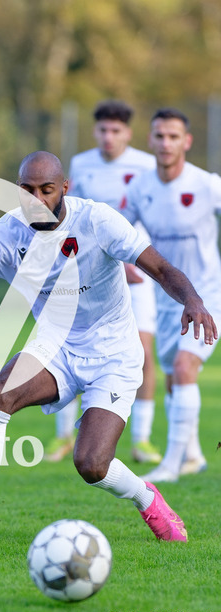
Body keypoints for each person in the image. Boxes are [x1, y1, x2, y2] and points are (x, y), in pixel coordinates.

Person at [0, 151, 217, 546]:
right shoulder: (8, 233)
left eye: (46, 190)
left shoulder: (97, 220)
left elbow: (160, 268)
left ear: (64, 188)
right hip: (55, 345)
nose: (37, 200)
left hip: (113, 353)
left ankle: (147, 498)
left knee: (91, 464)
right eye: (27, 190)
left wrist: (193, 301)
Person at [45, 99, 160, 465]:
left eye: (116, 130)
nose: (108, 137)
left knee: (144, 351)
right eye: (103, 130)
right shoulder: (81, 164)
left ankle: (142, 439)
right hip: (90, 269)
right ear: (95, 131)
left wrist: (135, 259)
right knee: (72, 344)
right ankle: (64, 434)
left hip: (136, 270)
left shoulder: (146, 165)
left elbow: (149, 217)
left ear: (128, 133)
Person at [123, 108, 221, 483]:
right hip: (166, 298)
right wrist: (122, 263)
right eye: (160, 136)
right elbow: (120, 230)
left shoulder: (207, 185)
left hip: (207, 294)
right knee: (172, 376)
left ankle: (171, 465)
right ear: (150, 140)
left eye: (173, 136)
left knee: (183, 367)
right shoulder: (139, 187)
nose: (166, 143)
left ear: (187, 142)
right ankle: (193, 455)